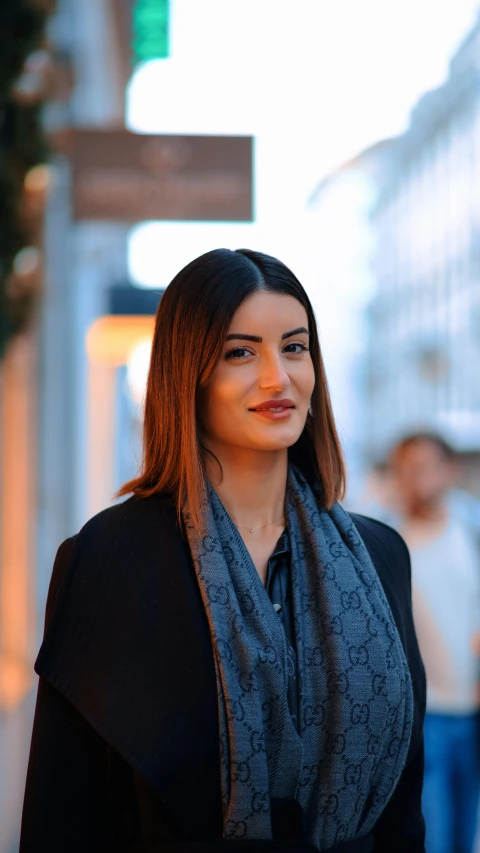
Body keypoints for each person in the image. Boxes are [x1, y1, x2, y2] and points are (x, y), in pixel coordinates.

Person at [20, 249, 426, 853]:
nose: (277, 377)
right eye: (241, 352)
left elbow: (403, 813)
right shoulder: (109, 559)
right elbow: (66, 809)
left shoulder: (380, 555)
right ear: (191, 372)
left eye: (294, 347)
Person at [389, 432, 480, 853]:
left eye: (425, 466)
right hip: (422, 718)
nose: (416, 477)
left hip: (472, 708)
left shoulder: (470, 531)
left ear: (449, 470)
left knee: (469, 831)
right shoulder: (386, 542)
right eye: (407, 467)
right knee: (432, 834)